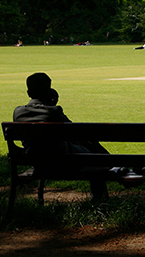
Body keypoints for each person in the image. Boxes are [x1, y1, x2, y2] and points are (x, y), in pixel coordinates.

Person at [13, 72, 110, 200]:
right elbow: (74, 132)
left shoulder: (18, 112)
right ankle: (106, 186)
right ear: (49, 90)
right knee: (92, 150)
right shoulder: (53, 111)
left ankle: (112, 165)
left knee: (89, 145)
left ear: (28, 92)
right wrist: (52, 103)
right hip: (63, 160)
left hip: (38, 162)